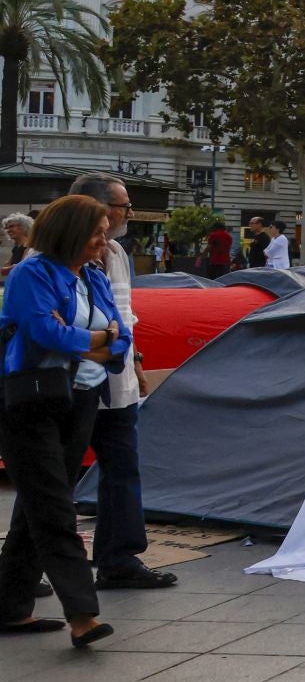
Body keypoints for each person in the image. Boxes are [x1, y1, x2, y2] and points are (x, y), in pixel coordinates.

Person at [0, 193, 128, 646]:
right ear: (71, 231)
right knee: (55, 509)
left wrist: (94, 340)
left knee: (36, 508)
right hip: (30, 403)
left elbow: (123, 335)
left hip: (81, 400)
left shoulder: (92, 277)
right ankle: (82, 614)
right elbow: (42, 331)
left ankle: (9, 609)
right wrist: (99, 337)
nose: (104, 238)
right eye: (96, 230)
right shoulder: (31, 273)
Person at [66, 176, 174, 591]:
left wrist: (137, 361)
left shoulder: (116, 253)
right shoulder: (52, 256)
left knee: (123, 468)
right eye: (122, 205)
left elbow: (125, 315)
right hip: (75, 384)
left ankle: (119, 557)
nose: (128, 213)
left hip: (119, 380)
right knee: (56, 476)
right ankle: (27, 561)